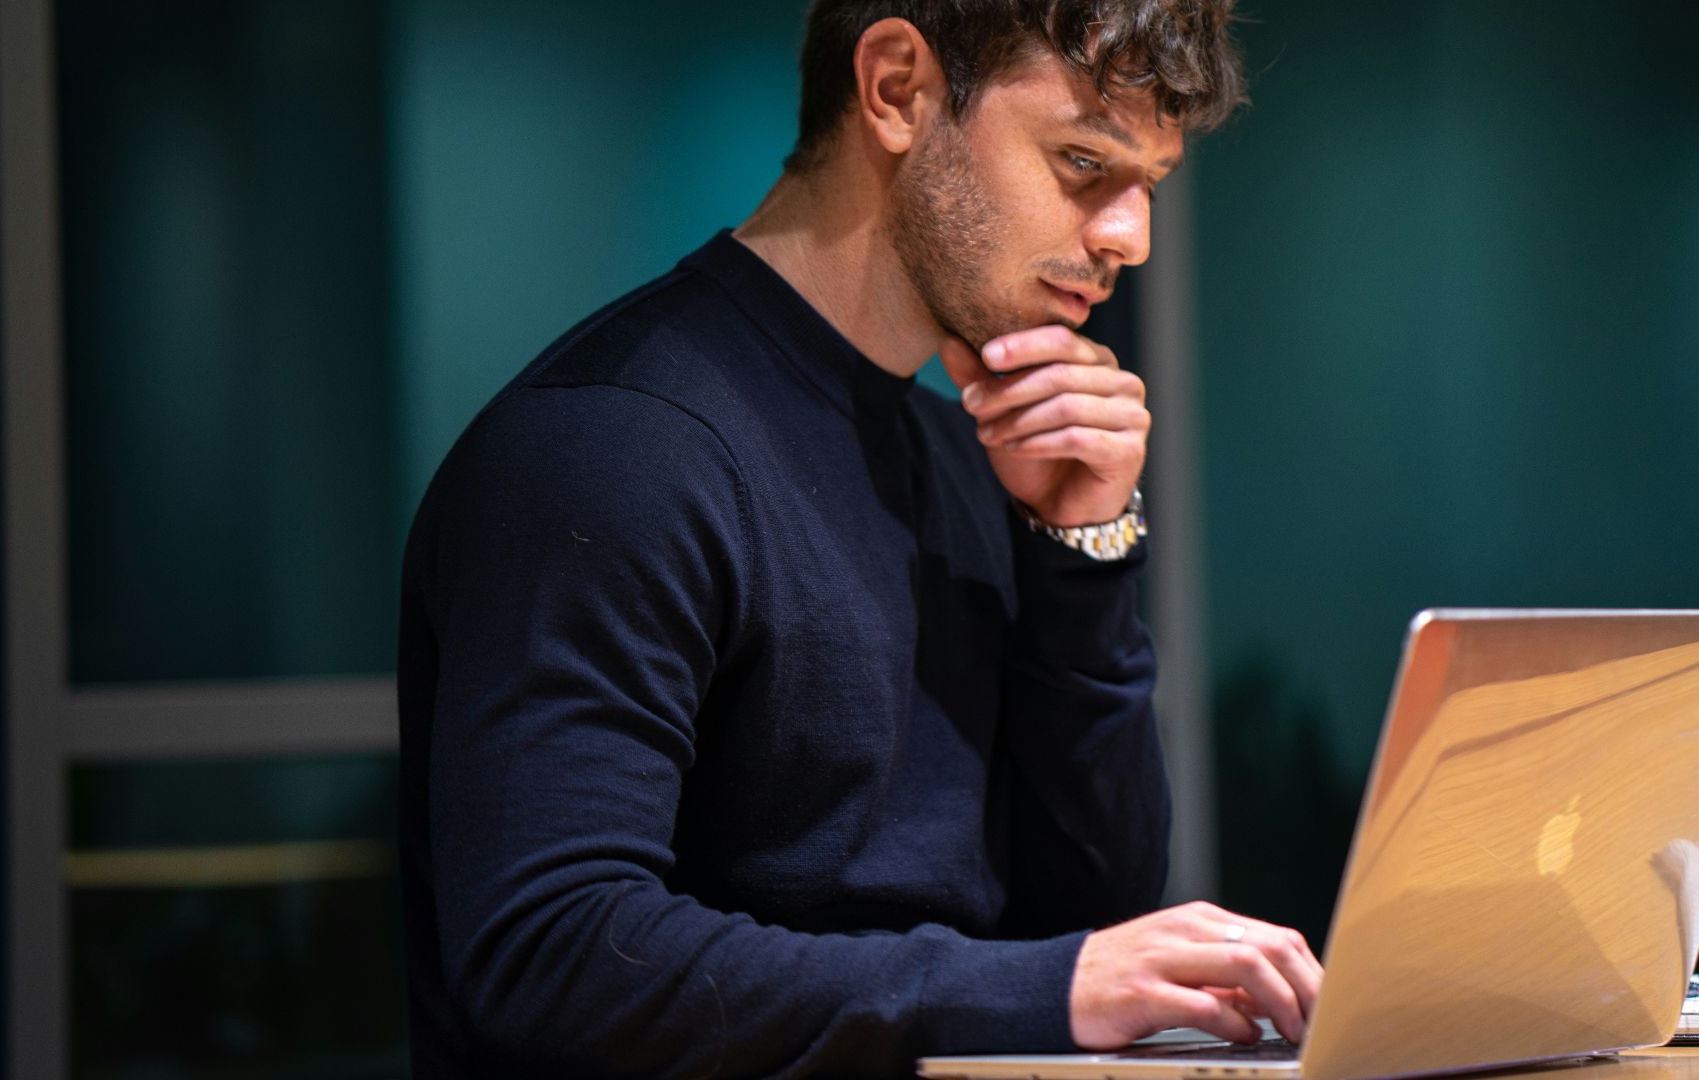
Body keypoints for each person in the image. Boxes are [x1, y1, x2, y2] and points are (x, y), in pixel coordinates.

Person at [395, 1, 1322, 1075]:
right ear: (895, 88)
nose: (1130, 239)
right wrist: (1037, 985)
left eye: (1146, 188)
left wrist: (1081, 546)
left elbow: (1089, 913)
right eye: (1081, 163)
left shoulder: (964, 456)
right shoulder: (612, 448)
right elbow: (551, 957)